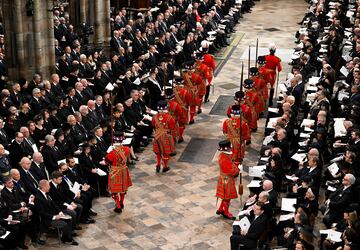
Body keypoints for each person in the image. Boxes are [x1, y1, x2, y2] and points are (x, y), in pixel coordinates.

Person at [105, 144, 132, 213]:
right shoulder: (127, 149)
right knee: (123, 188)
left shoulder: (112, 152)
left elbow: (107, 161)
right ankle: (121, 202)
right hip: (124, 171)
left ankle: (118, 206)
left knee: (114, 190)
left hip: (115, 172)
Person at [216, 140, 239, 220]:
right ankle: (226, 212)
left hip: (224, 178)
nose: (230, 149)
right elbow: (230, 171)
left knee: (224, 195)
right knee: (227, 196)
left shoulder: (223, 155)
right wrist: (237, 169)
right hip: (226, 179)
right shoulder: (224, 159)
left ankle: (220, 209)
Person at [151, 100, 177, 173]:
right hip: (166, 137)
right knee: (166, 153)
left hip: (157, 136)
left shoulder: (154, 117)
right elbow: (172, 129)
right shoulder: (170, 118)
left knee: (158, 152)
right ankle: (165, 166)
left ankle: (158, 165)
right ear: (166, 107)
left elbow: (153, 126)